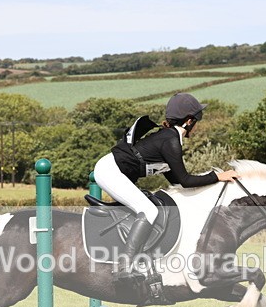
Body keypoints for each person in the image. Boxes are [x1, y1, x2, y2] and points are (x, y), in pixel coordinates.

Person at [93, 92, 240, 280]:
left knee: (149, 206)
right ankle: (124, 266)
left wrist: (210, 187)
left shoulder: (169, 137)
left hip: (113, 170)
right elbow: (185, 180)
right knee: (149, 210)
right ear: (188, 121)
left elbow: (177, 182)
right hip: (109, 171)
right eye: (197, 118)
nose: (198, 123)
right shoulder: (170, 140)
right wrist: (219, 176)